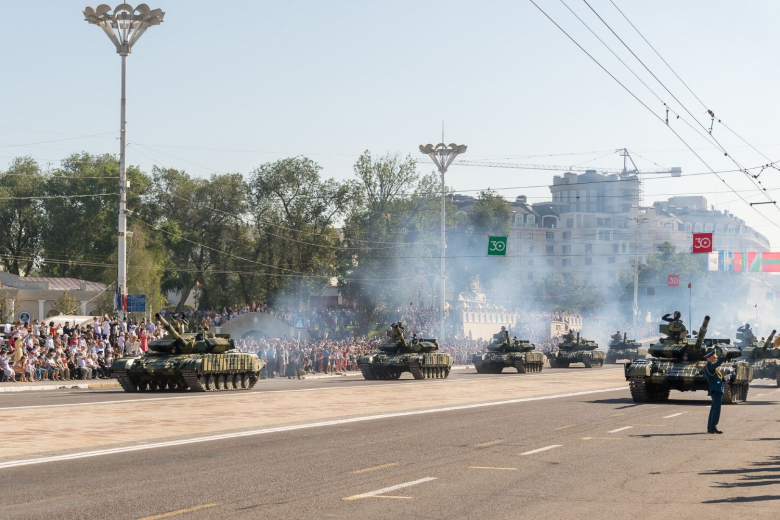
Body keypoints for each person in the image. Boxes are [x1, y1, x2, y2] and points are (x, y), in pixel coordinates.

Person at [703, 348, 725, 434]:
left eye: (716, 357)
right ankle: (713, 427)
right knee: (716, 409)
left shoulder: (710, 367)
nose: (715, 359)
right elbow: (718, 363)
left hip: (717, 389)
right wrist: (723, 356)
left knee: (713, 409)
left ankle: (710, 427)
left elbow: (717, 377)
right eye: (714, 357)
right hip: (716, 390)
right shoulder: (709, 366)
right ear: (709, 358)